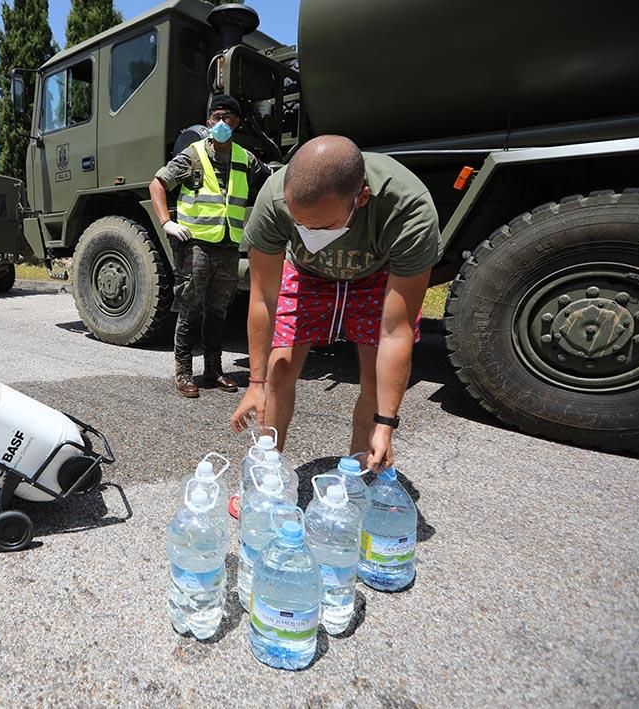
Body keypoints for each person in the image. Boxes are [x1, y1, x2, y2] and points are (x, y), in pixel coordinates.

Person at [230, 135, 442, 475]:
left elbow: (395, 330)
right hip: (305, 273)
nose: (309, 233)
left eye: (324, 226)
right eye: (299, 223)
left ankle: (362, 471)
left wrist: (386, 423)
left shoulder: (407, 209)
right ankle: (265, 474)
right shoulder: (273, 199)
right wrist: (255, 384)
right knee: (280, 368)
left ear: (361, 198)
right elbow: (263, 299)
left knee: (373, 377)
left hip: (375, 275)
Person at [149, 94, 271, 398]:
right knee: (190, 308)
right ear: (208, 122)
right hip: (196, 246)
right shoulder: (192, 155)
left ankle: (214, 371)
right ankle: (184, 373)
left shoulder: (246, 159)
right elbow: (157, 184)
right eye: (216, 117)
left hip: (229, 246)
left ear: (237, 122)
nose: (221, 123)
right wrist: (166, 222)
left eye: (228, 118)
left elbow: (270, 183)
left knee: (218, 311)